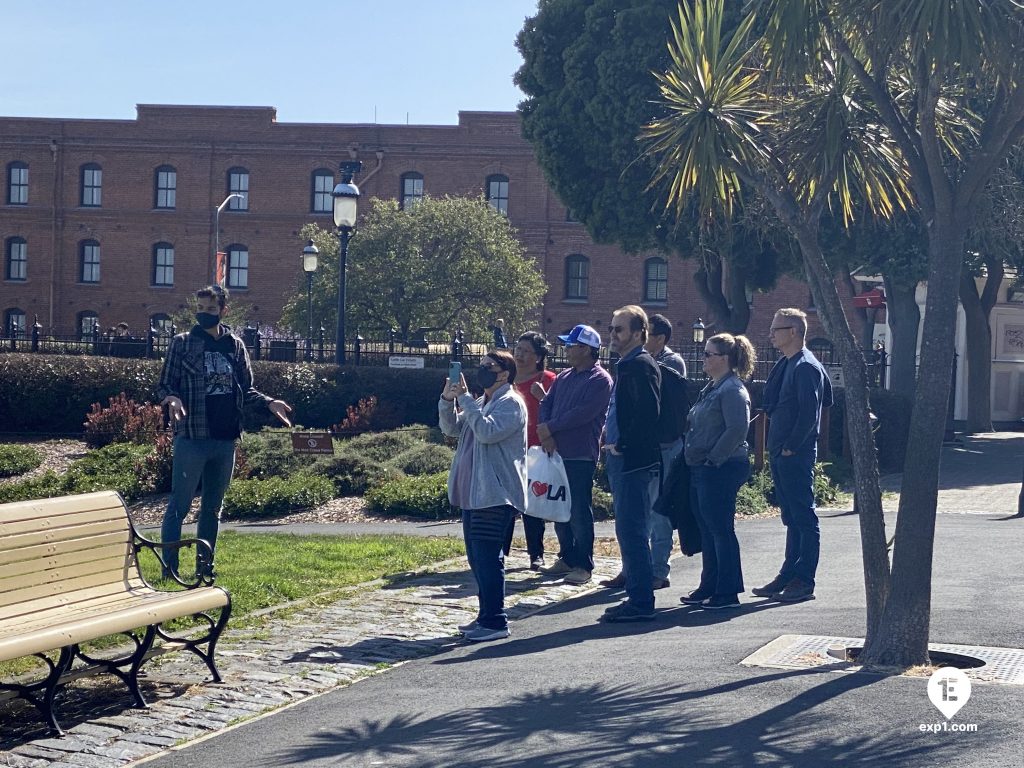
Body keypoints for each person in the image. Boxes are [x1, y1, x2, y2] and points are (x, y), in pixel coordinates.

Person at [158, 285, 293, 579]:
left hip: (225, 439)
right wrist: (172, 398)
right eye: (200, 308)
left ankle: (204, 569)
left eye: (210, 308)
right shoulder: (182, 343)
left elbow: (246, 388)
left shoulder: (235, 346)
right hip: (192, 437)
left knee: (212, 509)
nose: (203, 313)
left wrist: (270, 403)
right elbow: (165, 384)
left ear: (223, 310)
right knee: (179, 507)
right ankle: (170, 570)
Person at [439, 349, 527, 643]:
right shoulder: (480, 402)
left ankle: (495, 621)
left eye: (490, 366)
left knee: (488, 558)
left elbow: (488, 432)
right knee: (477, 559)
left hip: (496, 495)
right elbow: (451, 429)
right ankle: (485, 616)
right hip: (473, 494)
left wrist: (465, 399)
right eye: (481, 365)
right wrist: (448, 400)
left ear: (505, 374)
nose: (483, 370)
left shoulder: (511, 403)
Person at [752, 308, 833, 603]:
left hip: (794, 454)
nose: (771, 334)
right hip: (782, 451)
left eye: (776, 329)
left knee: (803, 516)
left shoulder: (806, 367)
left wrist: (791, 446)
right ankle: (788, 574)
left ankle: (804, 580)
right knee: (792, 517)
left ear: (794, 332)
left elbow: (810, 413)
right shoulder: (788, 364)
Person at [680, 333, 755, 610]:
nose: (703, 358)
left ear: (724, 359)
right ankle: (710, 585)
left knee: (720, 529)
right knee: (708, 529)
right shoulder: (712, 387)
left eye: (708, 354)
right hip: (703, 467)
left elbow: (737, 428)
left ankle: (728, 592)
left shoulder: (732, 389)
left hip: (721, 468)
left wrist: (713, 459)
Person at [536, 325, 613, 585]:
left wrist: (550, 427)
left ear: (586, 349)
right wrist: (546, 433)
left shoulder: (600, 380)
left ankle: (583, 564)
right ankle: (567, 557)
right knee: (559, 507)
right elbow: (547, 403)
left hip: (580, 454)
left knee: (579, 509)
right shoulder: (564, 376)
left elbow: (583, 414)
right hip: (556, 452)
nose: (566, 350)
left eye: (571, 346)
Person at [600, 305, 661, 623]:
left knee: (632, 530)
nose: (612, 334)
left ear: (638, 333)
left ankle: (640, 601)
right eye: (611, 328)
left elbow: (648, 413)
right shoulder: (628, 364)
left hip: (632, 462)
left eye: (619, 329)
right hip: (623, 459)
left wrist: (622, 445)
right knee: (628, 529)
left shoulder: (639, 365)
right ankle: (637, 596)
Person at [509, 331, 558, 569]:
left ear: (538, 357)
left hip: (537, 450)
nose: (519, 354)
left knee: (533, 504)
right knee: (506, 503)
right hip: (509, 449)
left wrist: (542, 397)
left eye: (525, 351)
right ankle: (500, 551)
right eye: (517, 349)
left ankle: (536, 554)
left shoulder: (548, 379)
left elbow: (557, 411)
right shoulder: (506, 379)